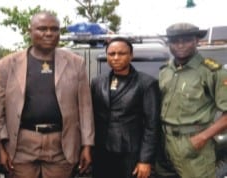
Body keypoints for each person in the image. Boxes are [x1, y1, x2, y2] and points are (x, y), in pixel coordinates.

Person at [0, 11, 94, 178]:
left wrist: (87, 146)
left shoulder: (76, 63)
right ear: (29, 31)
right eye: (42, 29)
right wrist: (0, 148)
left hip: (62, 144)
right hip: (21, 144)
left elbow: (85, 108)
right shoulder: (6, 65)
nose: (49, 33)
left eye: (54, 29)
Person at [158, 22, 227, 178]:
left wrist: (201, 138)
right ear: (169, 43)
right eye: (175, 41)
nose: (180, 45)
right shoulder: (166, 71)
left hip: (194, 143)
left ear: (197, 40)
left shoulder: (211, 72)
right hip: (164, 141)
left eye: (186, 40)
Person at [91, 37, 161, 178]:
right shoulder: (98, 82)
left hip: (130, 154)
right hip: (102, 152)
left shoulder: (146, 83)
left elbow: (152, 125)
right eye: (111, 54)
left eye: (121, 53)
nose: (116, 58)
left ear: (131, 55)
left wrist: (145, 160)